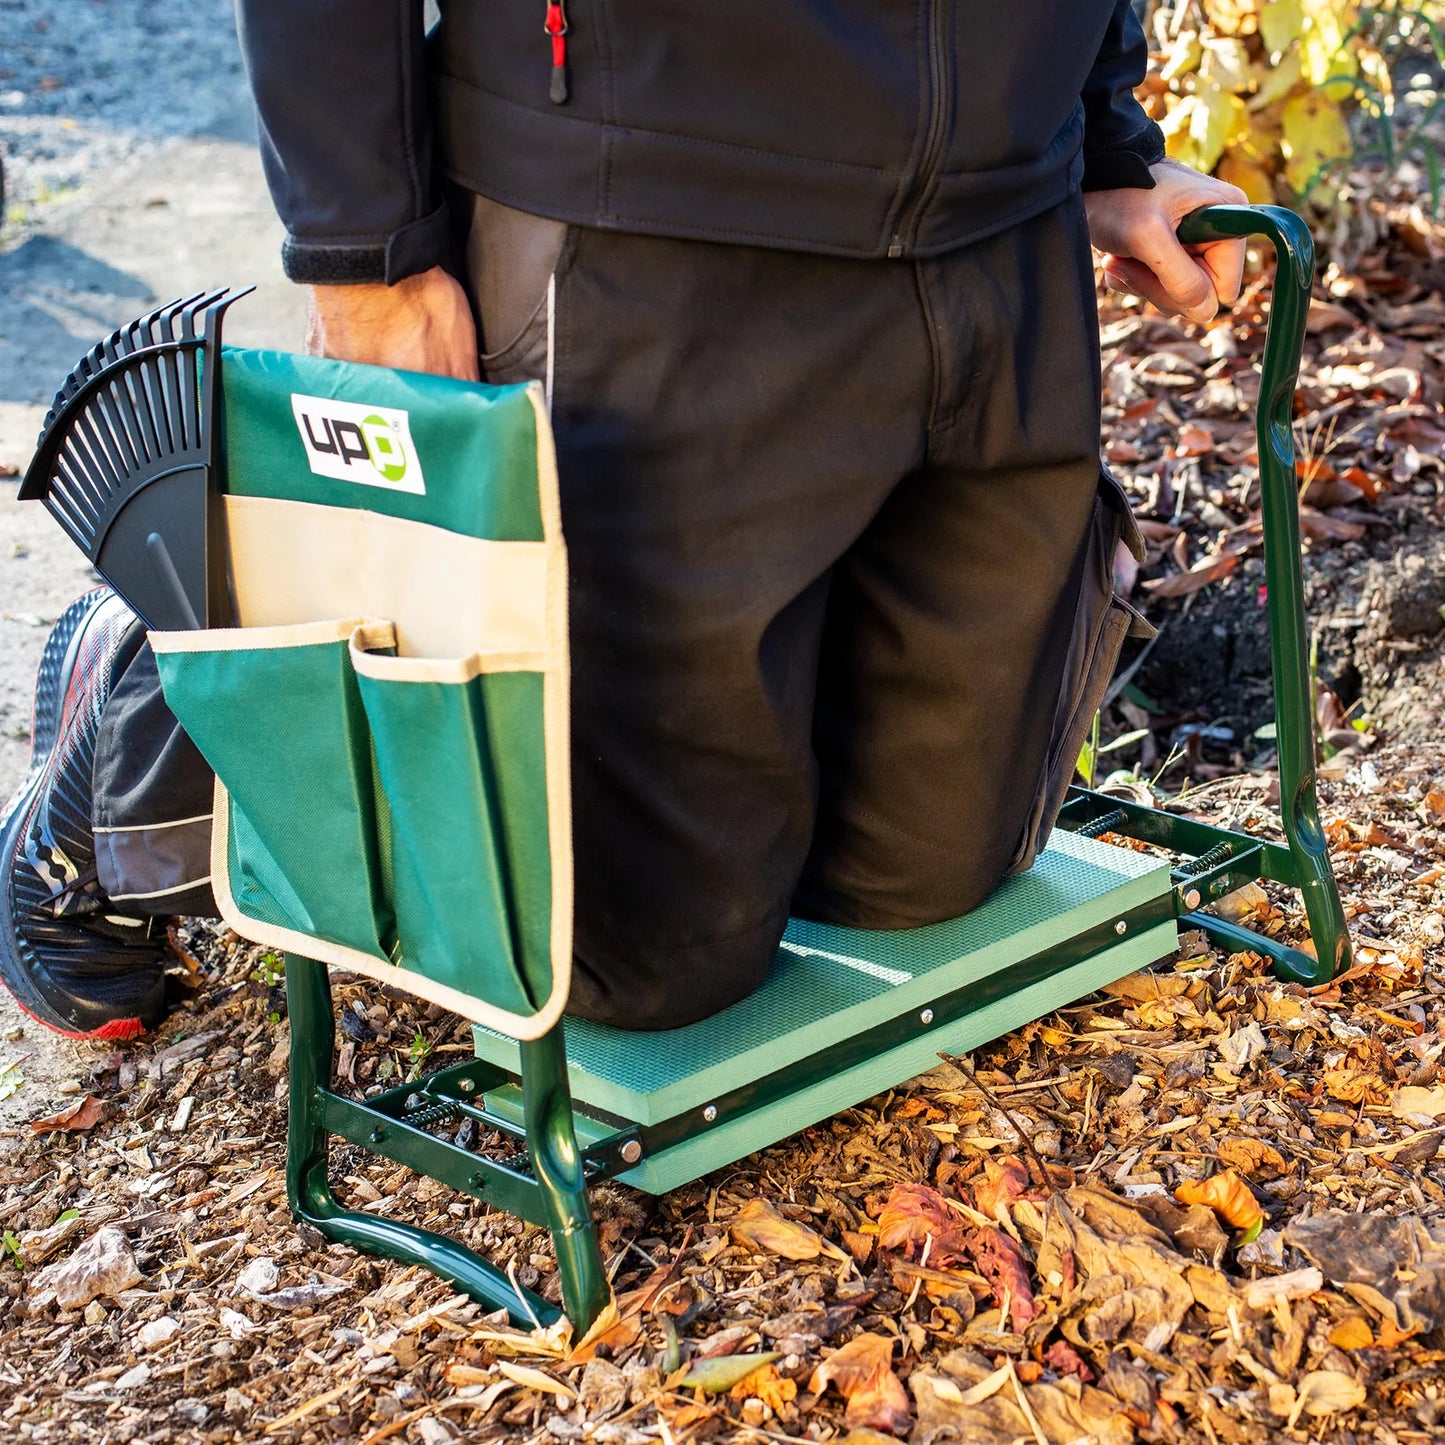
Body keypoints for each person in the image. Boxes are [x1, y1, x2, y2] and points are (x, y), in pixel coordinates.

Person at [1, 1, 1247, 1038]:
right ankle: (155, 696)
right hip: (636, 203)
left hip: (994, 223)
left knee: (927, 884)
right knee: (638, 972)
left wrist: (1096, 134)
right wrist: (365, 244)